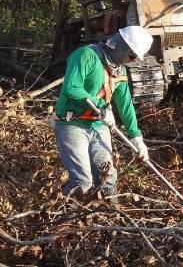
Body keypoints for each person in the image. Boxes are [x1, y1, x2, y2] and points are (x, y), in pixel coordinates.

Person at [53, 25, 153, 198]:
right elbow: (71, 88)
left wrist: (136, 137)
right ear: (121, 45)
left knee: (108, 177)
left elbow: (125, 104)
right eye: (131, 55)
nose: (131, 60)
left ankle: (109, 216)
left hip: (98, 126)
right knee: (82, 181)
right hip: (73, 124)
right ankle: (68, 218)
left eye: (135, 58)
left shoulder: (119, 69)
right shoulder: (85, 56)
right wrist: (101, 106)